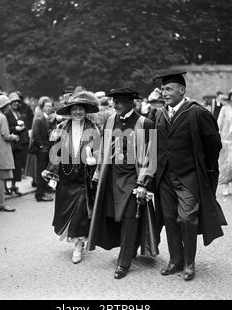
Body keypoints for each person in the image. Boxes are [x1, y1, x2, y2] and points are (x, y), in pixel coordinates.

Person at [153, 72, 226, 281]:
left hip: (188, 176)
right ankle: (175, 260)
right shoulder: (159, 114)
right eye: (163, 89)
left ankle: (189, 262)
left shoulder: (196, 113)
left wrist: (206, 169)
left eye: (169, 89)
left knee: (187, 218)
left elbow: (213, 144)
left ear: (182, 90)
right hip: (165, 176)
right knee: (168, 218)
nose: (164, 93)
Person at [87, 87, 159, 279]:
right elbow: (103, 149)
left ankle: (123, 262)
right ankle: (130, 248)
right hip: (112, 177)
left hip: (133, 177)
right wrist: (98, 173)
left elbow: (151, 155)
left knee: (130, 217)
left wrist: (143, 183)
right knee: (115, 216)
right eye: (114, 101)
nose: (115, 105)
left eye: (119, 101)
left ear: (131, 103)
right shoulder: (110, 121)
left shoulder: (146, 123)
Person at [42, 87, 99, 264]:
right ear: (69, 111)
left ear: (86, 110)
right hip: (66, 178)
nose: (78, 111)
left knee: (81, 211)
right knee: (65, 211)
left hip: (84, 177)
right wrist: (51, 172)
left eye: (81, 108)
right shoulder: (60, 128)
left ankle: (78, 246)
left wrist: (94, 159)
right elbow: (55, 153)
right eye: (74, 108)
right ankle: (76, 240)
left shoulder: (94, 128)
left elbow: (100, 152)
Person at [0, 94, 19, 211]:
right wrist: (14, 137)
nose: (9, 107)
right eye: (7, 105)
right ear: (4, 106)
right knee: (1, 178)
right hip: (2, 151)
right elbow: (6, 135)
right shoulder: (2, 117)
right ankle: (1, 203)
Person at [31, 98, 56, 202]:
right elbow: (35, 134)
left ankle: (44, 191)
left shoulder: (51, 119)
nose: (49, 108)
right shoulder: (39, 119)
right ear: (43, 108)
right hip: (42, 150)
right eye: (47, 106)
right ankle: (39, 194)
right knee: (41, 172)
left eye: (50, 106)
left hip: (49, 149)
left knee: (46, 172)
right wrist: (41, 146)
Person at [5, 92, 26, 195]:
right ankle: (5, 187)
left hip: (18, 143)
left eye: (17, 101)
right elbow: (5, 129)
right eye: (14, 101)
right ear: (9, 103)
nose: (16, 103)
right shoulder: (7, 114)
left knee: (17, 166)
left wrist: (22, 128)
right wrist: (15, 129)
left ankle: (13, 185)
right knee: (9, 165)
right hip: (10, 143)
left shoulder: (18, 113)